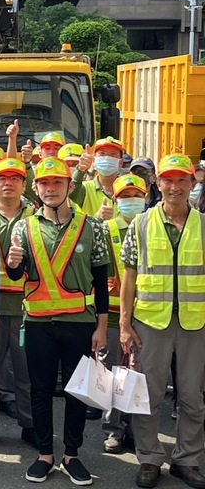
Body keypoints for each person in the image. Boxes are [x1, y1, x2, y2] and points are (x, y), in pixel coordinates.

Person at [6, 157, 109, 486]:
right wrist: (12, 264)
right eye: (44, 183)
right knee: (40, 389)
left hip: (80, 321)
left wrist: (103, 327)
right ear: (35, 188)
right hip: (37, 322)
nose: (51, 189)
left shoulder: (93, 227)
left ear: (70, 186)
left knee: (77, 391)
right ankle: (45, 454)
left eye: (57, 183)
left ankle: (72, 455)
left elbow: (100, 278)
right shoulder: (22, 227)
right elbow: (18, 275)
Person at [120, 154, 205, 489]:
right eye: (168, 180)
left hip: (194, 324)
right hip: (150, 325)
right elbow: (128, 278)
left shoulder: (204, 225)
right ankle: (150, 458)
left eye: (182, 180)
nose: (174, 187)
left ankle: (187, 460)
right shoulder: (140, 224)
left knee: (192, 397)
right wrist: (125, 325)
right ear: (157, 183)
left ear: (193, 184)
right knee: (148, 396)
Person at [0, 158, 37, 450]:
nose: (8, 183)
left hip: (28, 308)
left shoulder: (37, 218)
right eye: (2, 178)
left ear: (24, 184)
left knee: (27, 371)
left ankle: (29, 424)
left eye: (15, 178)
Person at [101, 173, 147, 455]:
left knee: (140, 375)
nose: (131, 201)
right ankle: (113, 431)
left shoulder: (149, 227)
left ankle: (136, 429)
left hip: (148, 313)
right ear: (115, 200)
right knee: (114, 375)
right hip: (114, 313)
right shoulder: (105, 229)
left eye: (136, 196)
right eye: (125, 197)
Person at [71, 136, 124, 219]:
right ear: (94, 160)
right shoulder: (85, 189)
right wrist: (80, 170)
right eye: (102, 154)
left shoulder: (128, 190)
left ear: (121, 163)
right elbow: (70, 195)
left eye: (112, 154)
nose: (107, 158)